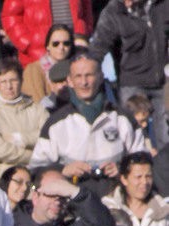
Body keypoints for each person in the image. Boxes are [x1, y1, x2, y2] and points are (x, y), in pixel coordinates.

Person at [29, 52, 146, 195]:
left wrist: (122, 169)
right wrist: (64, 170)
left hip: (116, 200)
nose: (84, 82)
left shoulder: (123, 118)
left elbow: (144, 163)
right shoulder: (56, 123)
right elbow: (35, 170)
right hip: (71, 205)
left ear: (101, 77)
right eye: (78, 76)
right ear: (70, 81)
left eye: (89, 75)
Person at [88, 0, 169, 150]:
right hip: (131, 84)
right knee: (132, 135)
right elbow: (97, 49)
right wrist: (89, 76)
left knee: (164, 137)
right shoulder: (113, 11)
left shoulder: (162, 5)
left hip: (162, 83)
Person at [0, 57, 47, 185]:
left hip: (35, 179)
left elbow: (48, 139)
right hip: (4, 181)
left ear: (21, 80)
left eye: (13, 80)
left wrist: (19, 139)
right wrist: (34, 157)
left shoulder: (37, 109)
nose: (9, 86)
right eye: (3, 82)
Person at [104, 151, 169, 226]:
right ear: (124, 179)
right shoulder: (108, 208)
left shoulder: (163, 211)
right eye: (138, 177)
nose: (144, 182)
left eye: (148, 176)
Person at [1, 2, 91, 71]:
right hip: (37, 55)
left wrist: (82, 35)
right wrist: (27, 44)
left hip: (73, 51)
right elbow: (10, 16)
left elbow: (86, 11)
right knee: (40, 92)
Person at [20, 23, 74, 102]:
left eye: (66, 43)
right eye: (56, 44)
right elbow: (35, 102)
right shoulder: (33, 70)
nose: (61, 47)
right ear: (48, 46)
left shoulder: (76, 68)